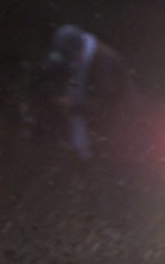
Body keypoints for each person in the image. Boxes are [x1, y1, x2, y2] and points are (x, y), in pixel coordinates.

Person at [25, 25, 129, 163]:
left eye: (72, 57)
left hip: (115, 136)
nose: (72, 62)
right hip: (90, 135)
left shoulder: (104, 61)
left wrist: (73, 103)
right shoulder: (79, 59)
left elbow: (109, 105)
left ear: (78, 51)